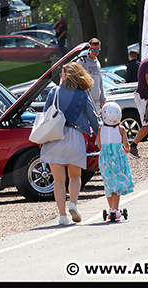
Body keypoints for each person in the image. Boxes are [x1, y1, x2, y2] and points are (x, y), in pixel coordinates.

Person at [40, 62, 101, 225]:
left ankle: (62, 215)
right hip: (75, 137)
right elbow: (93, 118)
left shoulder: (54, 92)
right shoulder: (82, 94)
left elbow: (46, 115)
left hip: (55, 137)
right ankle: (73, 203)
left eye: (62, 72)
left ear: (66, 75)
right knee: (75, 176)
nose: (60, 75)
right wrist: (100, 134)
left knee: (58, 180)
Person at [97, 102, 134, 222]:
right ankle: (116, 209)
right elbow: (127, 146)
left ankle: (111, 209)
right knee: (117, 183)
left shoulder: (100, 129)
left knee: (108, 183)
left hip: (104, 160)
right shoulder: (121, 129)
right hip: (118, 159)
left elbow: (99, 145)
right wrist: (124, 150)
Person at [76, 38, 106, 111]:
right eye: (92, 50)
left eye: (97, 50)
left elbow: (100, 81)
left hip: (97, 100)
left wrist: (103, 99)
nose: (95, 52)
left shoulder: (97, 62)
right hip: (86, 100)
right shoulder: (82, 61)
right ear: (88, 49)